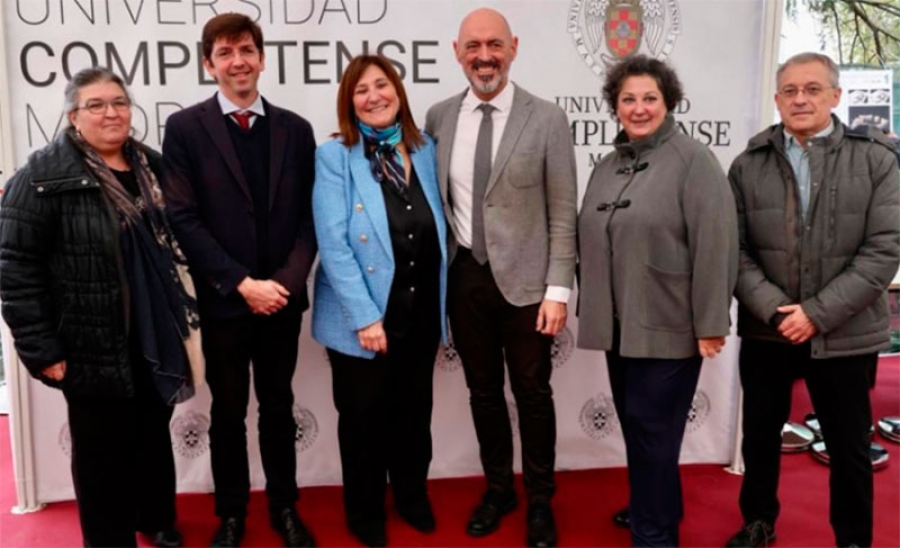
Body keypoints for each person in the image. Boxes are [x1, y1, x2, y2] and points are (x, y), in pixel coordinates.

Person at [0, 67, 202, 548]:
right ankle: (109, 540)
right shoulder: (43, 177)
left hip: (156, 331)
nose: (111, 112)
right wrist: (42, 349)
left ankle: (154, 518)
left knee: (153, 435)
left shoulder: (153, 166)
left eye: (119, 102)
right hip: (88, 340)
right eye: (96, 104)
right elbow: (15, 268)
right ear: (73, 116)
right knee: (99, 453)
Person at [726, 52, 900, 548]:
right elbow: (732, 249)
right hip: (768, 329)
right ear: (777, 98)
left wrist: (816, 314)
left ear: (835, 96)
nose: (800, 99)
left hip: (843, 334)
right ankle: (758, 522)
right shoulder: (748, 163)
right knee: (759, 437)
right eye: (789, 90)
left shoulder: (877, 159)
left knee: (849, 446)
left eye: (812, 89)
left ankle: (852, 538)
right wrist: (779, 311)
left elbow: (884, 248)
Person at [160, 13, 317, 548]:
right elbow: (182, 217)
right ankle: (231, 514)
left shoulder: (296, 129)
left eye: (246, 49)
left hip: (281, 303)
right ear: (209, 64)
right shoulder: (184, 129)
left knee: (278, 408)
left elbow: (307, 220)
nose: (238, 61)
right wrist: (241, 283)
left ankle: (285, 508)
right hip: (225, 304)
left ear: (262, 57)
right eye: (225, 53)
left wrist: (284, 285)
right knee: (227, 414)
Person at [425, 8, 577, 547]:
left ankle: (539, 499)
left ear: (513, 47)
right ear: (456, 51)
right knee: (482, 393)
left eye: (494, 45)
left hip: (529, 287)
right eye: (473, 46)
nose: (483, 56)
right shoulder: (438, 117)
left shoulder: (547, 119)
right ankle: (498, 489)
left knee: (533, 394)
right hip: (464, 278)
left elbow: (563, 211)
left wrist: (558, 290)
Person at [577, 55, 738, 547]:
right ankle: (657, 505)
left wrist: (712, 321)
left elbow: (718, 241)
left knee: (653, 434)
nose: (639, 108)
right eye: (629, 99)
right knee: (642, 432)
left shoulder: (693, 159)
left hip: (669, 323)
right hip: (619, 325)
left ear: (668, 102)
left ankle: (655, 535)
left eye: (650, 98)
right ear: (615, 105)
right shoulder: (608, 165)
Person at [311, 54, 448, 548]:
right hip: (363, 320)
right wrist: (365, 317)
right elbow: (333, 242)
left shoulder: (425, 149)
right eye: (361, 90)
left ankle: (412, 497)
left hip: (420, 313)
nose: (373, 96)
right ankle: (364, 511)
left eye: (381, 85)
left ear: (398, 90)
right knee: (364, 423)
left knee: (414, 416)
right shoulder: (334, 156)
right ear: (350, 102)